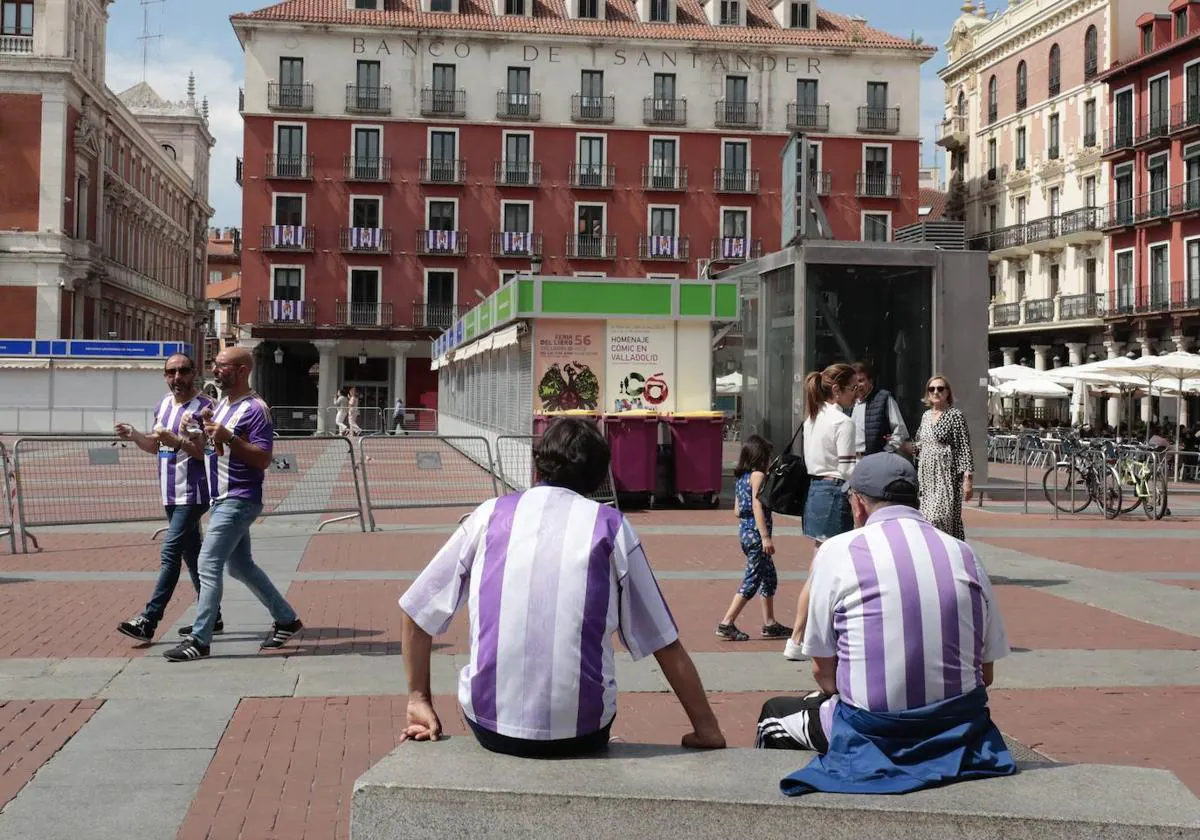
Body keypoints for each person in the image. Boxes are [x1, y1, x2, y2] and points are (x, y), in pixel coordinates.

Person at [398, 417, 726, 757]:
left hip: (491, 726)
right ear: (599, 476)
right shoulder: (610, 526)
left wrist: (418, 699)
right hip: (582, 731)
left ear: (540, 464)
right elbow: (663, 641)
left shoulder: (489, 515)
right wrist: (708, 728)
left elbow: (416, 610)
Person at [755, 452, 1015, 795]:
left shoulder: (837, 551)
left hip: (875, 733)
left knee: (773, 716)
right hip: (961, 732)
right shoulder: (964, 554)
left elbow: (823, 672)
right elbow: (987, 673)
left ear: (858, 504)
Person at [162, 346, 303, 662]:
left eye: (222, 365)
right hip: (220, 497)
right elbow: (211, 449)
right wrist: (193, 435)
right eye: (214, 364)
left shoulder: (256, 409)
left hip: (239, 498)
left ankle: (200, 639)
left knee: (207, 562)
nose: (215, 369)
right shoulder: (222, 404)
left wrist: (229, 438)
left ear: (242, 370)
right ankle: (286, 619)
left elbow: (263, 458)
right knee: (240, 566)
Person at [115, 354, 223, 641]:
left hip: (195, 491)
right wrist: (135, 435)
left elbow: (208, 454)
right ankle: (213, 614)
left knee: (170, 552)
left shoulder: (206, 409)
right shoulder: (162, 405)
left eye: (183, 371)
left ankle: (149, 619)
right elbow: (156, 445)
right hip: (170, 491)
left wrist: (180, 441)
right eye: (171, 372)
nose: (177, 377)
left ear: (194, 373)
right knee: (192, 554)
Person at [781, 362, 857, 662]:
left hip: (815, 492)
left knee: (822, 565)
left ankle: (807, 636)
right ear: (837, 390)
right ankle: (799, 637)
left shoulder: (813, 418)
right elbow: (847, 468)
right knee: (822, 572)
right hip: (833, 492)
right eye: (853, 388)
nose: (856, 394)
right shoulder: (842, 422)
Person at [715, 435, 791, 642]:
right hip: (757, 537)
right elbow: (757, 505)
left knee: (769, 577)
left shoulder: (741, 478)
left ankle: (770, 623)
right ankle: (727, 622)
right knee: (752, 579)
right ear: (760, 457)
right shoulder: (758, 476)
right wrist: (765, 536)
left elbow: (738, 511)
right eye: (768, 456)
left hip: (745, 533)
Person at [912, 375, 975, 540]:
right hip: (926, 475)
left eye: (940, 389)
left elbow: (964, 447)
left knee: (940, 517)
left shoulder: (955, 415)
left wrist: (967, 479)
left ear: (948, 392)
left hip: (946, 474)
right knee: (926, 517)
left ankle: (949, 550)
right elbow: (919, 443)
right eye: (931, 389)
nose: (936, 392)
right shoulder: (925, 416)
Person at [850, 361, 908, 458]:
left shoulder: (883, 398)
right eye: (854, 382)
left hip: (876, 460)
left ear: (870, 381)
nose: (858, 385)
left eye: (861, 381)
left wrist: (886, 452)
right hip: (852, 461)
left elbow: (900, 432)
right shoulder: (849, 403)